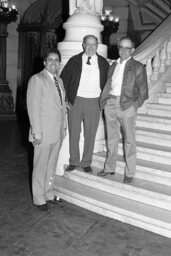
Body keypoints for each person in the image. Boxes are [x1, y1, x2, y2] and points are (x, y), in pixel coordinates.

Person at [97, 36, 148, 183]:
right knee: (111, 137)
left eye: (127, 48)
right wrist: (106, 101)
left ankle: (130, 172)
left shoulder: (138, 66)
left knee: (129, 140)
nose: (124, 51)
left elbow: (143, 91)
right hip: (110, 103)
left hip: (127, 105)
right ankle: (109, 168)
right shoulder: (113, 65)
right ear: (118, 49)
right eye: (121, 47)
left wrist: (134, 106)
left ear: (132, 50)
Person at [60, 34, 109, 173]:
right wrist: (67, 99)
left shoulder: (103, 63)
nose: (91, 47)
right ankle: (74, 161)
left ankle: (86, 162)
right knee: (74, 133)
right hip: (76, 101)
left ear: (97, 46)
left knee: (90, 134)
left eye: (94, 44)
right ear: (83, 45)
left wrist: (104, 100)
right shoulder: (74, 60)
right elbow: (64, 80)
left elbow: (108, 83)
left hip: (94, 102)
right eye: (88, 44)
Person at [27, 48, 67, 211]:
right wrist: (36, 131)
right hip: (42, 133)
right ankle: (38, 198)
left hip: (57, 132)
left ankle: (48, 193)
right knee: (40, 166)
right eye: (50, 60)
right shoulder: (37, 79)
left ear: (59, 63)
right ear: (44, 62)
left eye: (56, 60)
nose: (53, 63)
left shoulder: (59, 81)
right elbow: (33, 106)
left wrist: (64, 126)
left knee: (51, 165)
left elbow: (61, 106)